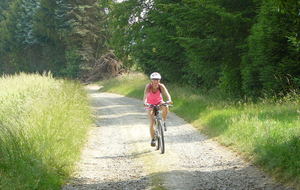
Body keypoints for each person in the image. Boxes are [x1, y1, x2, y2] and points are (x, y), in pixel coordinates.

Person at [143, 72, 172, 147]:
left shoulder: (161, 86)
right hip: (150, 104)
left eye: (157, 80)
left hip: (159, 102)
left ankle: (163, 121)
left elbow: (167, 94)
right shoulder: (148, 86)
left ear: (159, 80)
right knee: (152, 122)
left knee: (166, 106)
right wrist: (145, 102)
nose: (156, 81)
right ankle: (153, 139)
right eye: (154, 80)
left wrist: (169, 100)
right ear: (151, 80)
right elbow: (145, 95)